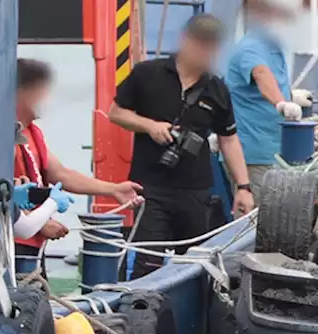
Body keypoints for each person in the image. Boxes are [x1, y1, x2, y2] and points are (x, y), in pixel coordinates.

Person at [107, 15, 254, 278]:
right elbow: (116, 113)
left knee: (196, 267)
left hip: (195, 193)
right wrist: (150, 126)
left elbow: (228, 139)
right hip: (150, 189)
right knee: (148, 264)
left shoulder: (217, 89)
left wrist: (243, 187)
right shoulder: (147, 74)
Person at [13, 59, 143, 275]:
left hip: (33, 243)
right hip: (13, 245)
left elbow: (62, 174)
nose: (47, 99)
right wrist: (37, 221)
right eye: (43, 92)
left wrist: (114, 189)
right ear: (22, 92)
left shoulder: (32, 134)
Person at [225, 0, 314, 189]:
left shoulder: (274, 45)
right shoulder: (252, 46)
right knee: (262, 215)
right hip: (253, 155)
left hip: (274, 150)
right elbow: (261, 75)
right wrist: (281, 103)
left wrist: (291, 96)